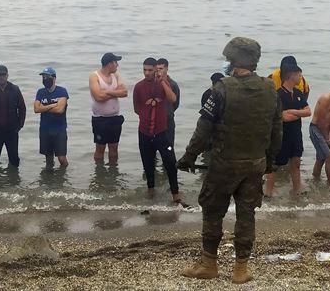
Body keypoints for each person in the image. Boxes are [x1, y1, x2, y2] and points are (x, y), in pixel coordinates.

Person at [177, 37, 282, 284]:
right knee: (247, 214)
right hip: (255, 163)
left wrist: (189, 156)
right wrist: (270, 161)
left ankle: (208, 264)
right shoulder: (270, 89)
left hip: (225, 164)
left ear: (233, 59)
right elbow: (277, 130)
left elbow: (204, 127)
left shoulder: (222, 88)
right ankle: (240, 269)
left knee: (213, 211)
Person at [133, 57, 181, 202]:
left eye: (150, 70)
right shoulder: (138, 86)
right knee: (148, 165)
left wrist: (162, 82)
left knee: (171, 163)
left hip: (162, 131)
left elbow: (173, 99)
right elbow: (136, 108)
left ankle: (176, 195)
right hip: (144, 132)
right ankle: (150, 191)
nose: (147, 73)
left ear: (156, 69)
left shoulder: (165, 84)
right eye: (144, 70)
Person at [264, 63, 311, 196]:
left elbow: (308, 112)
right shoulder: (278, 94)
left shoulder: (298, 93)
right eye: (299, 75)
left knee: (296, 161)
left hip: (296, 134)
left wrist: (292, 111)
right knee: (275, 165)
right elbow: (283, 117)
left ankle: (297, 191)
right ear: (291, 76)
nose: (301, 78)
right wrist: (297, 113)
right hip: (281, 134)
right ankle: (268, 193)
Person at [89, 53, 128, 161]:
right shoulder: (94, 76)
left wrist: (108, 92)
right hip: (100, 120)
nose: (117, 65)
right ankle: (99, 174)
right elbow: (98, 96)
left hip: (115, 118)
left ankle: (113, 173)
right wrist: (116, 92)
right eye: (116, 62)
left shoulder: (116, 76)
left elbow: (124, 92)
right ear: (110, 63)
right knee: (100, 149)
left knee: (114, 149)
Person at [34, 67, 69, 169]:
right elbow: (36, 109)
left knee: (62, 158)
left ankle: (63, 178)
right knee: (48, 160)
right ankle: (49, 181)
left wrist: (43, 108)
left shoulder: (62, 91)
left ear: (54, 78)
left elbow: (60, 110)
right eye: (43, 77)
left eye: (47, 77)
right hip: (45, 129)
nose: (45, 79)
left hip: (59, 130)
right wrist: (52, 105)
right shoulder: (40, 92)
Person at [156, 58, 180, 147]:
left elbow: (176, 103)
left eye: (161, 69)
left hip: (168, 121)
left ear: (166, 68)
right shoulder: (153, 83)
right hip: (155, 121)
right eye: (157, 69)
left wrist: (168, 112)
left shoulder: (173, 85)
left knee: (169, 147)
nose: (158, 71)